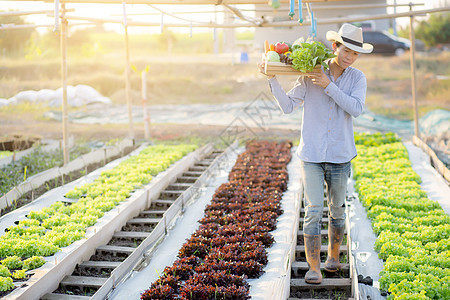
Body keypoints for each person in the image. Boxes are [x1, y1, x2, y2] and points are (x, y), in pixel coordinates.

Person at [258, 23, 373, 284]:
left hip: (340, 155)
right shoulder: (311, 74)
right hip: (311, 155)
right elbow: (287, 107)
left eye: (355, 54)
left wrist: (328, 85)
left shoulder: (357, 78)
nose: (350, 57)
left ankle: (333, 257)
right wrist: (271, 78)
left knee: (338, 211)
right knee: (313, 209)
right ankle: (314, 267)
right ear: (335, 47)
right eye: (346, 51)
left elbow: (355, 108)